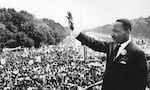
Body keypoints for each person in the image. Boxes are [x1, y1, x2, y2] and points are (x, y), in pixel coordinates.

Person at [69, 18, 148, 90]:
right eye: (112, 31)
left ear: (127, 32)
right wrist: (75, 31)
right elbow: (94, 43)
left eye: (116, 31)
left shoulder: (137, 53)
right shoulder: (112, 45)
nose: (112, 34)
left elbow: (140, 85)